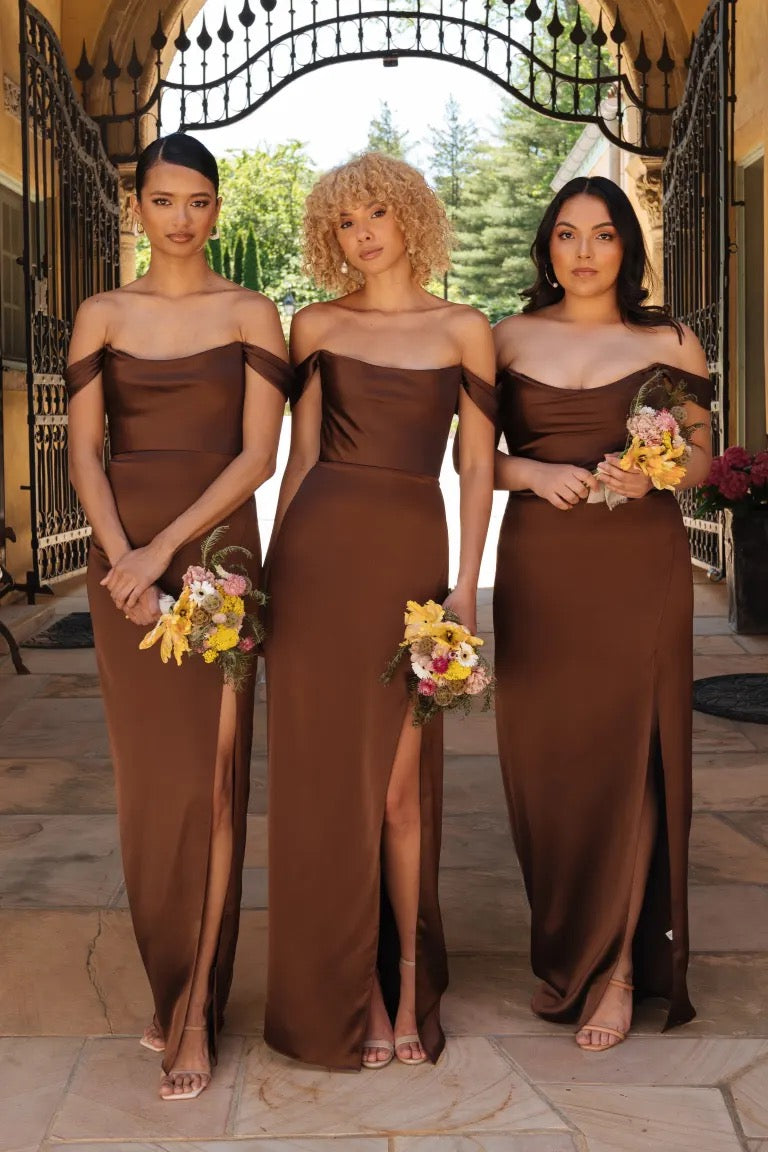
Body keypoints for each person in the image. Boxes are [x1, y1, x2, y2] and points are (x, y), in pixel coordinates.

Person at [65, 133, 292, 1099]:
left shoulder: (252, 312)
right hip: (122, 574)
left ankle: (198, 1004)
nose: (182, 218)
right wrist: (126, 564)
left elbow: (259, 457)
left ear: (216, 208)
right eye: (164, 201)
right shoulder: (101, 314)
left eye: (198, 201)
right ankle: (168, 975)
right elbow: (83, 454)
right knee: (150, 794)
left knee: (213, 783)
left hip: (217, 561)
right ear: (139, 208)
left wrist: (164, 554)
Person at [263, 152, 496, 1070]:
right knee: (331, 788)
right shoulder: (313, 324)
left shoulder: (465, 329)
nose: (362, 235)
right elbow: (300, 459)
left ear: (410, 219)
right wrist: (275, 577)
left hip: (411, 558)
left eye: (376, 216)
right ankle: (354, 988)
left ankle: (406, 984)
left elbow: (477, 466)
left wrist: (467, 584)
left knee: (400, 790)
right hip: (320, 560)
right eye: (344, 223)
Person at [493, 175, 712, 1052]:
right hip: (541, 568)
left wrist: (655, 469)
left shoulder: (671, 339)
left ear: (628, 246)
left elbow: (701, 458)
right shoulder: (505, 337)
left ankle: (620, 967)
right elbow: (468, 457)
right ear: (547, 248)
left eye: (603, 234)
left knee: (638, 753)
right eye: (567, 235)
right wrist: (535, 473)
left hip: (638, 567)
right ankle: (565, 942)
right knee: (546, 763)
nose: (584, 252)